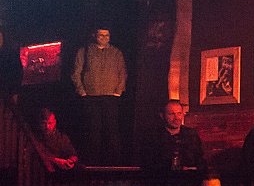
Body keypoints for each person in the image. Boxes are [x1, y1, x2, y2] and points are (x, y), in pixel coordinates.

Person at [72, 27, 126, 165]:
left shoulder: (116, 52)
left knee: (112, 131)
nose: (104, 38)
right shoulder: (84, 51)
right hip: (91, 97)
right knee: (93, 131)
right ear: (94, 35)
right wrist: (82, 91)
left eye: (107, 35)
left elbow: (122, 73)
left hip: (110, 97)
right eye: (101, 35)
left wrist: (118, 92)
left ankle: (114, 164)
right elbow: (76, 72)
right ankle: (92, 163)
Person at [138, 99, 205, 172]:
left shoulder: (191, 135)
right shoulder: (153, 137)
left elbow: (200, 160)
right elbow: (147, 164)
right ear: (162, 116)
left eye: (179, 113)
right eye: (171, 114)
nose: (176, 118)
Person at [33, 107, 79, 172]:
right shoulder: (35, 137)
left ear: (54, 123)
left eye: (50, 123)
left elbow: (73, 155)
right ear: (39, 124)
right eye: (44, 123)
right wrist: (56, 161)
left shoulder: (62, 138)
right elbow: (39, 155)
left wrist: (71, 161)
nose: (47, 127)